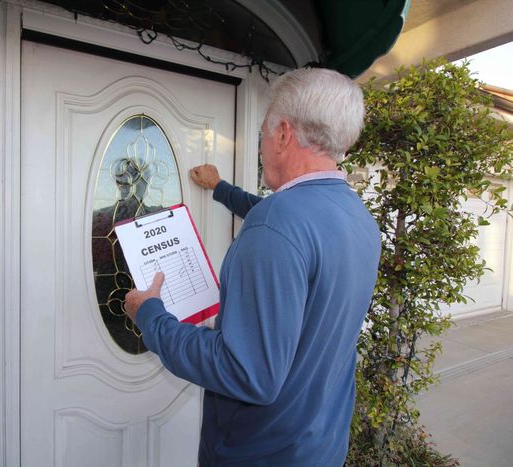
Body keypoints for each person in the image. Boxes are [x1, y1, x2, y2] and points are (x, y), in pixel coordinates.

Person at [124, 68, 381, 466]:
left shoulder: (276, 226)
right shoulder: (355, 216)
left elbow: (246, 373)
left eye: (262, 133)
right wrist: (221, 190)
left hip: (258, 453)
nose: (261, 146)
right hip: (321, 446)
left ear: (282, 133)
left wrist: (152, 316)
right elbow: (289, 227)